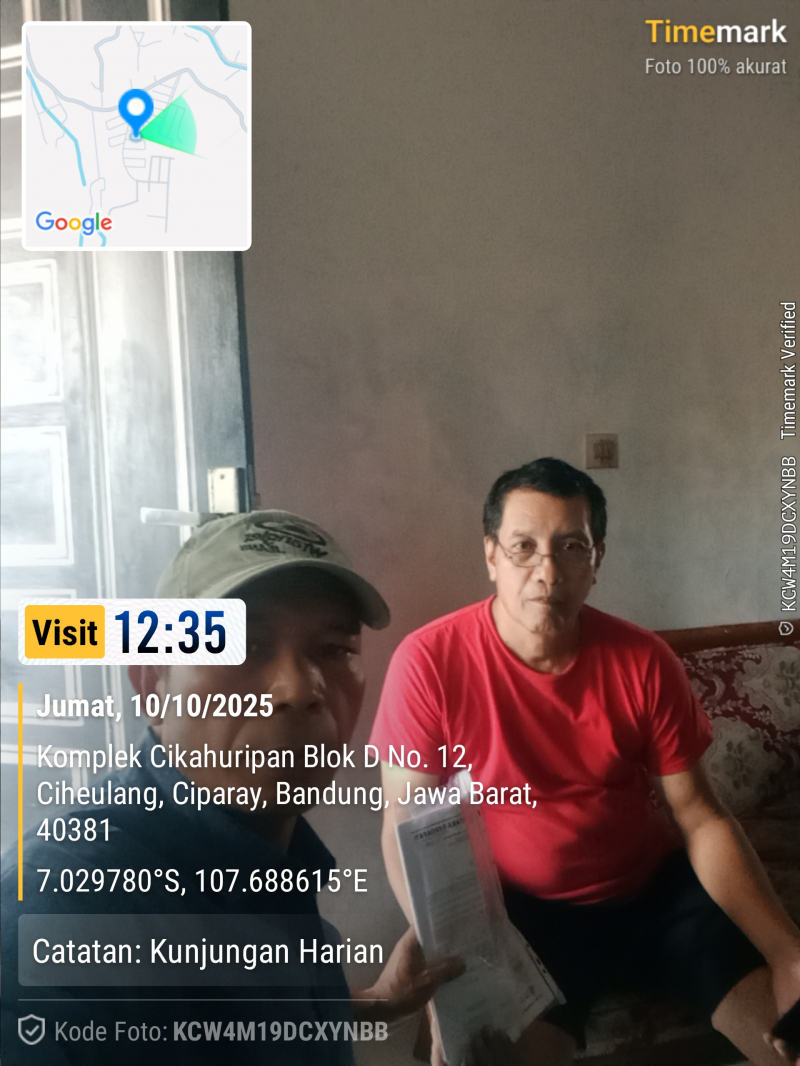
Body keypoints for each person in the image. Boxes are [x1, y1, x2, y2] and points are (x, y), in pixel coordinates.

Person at [372, 457, 800, 1066]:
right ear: (491, 555)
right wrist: (452, 978)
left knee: (786, 1043)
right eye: (523, 546)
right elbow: (404, 825)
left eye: (571, 547)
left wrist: (787, 951)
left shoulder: (645, 661)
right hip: (522, 918)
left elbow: (701, 816)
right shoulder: (429, 663)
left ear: (596, 560)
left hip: (655, 894)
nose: (547, 571)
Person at [1, 511, 462, 1066]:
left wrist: (374, 1002)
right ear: (152, 685)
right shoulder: (54, 914)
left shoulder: (267, 855)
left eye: (333, 649)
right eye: (241, 647)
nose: (299, 689)